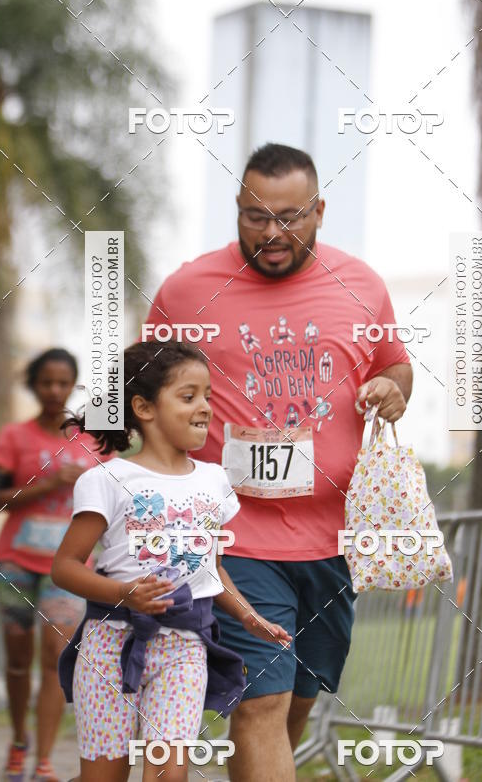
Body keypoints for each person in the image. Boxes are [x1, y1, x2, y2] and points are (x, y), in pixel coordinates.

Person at [145, 142, 413, 782]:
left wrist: (395, 389)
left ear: (319, 210)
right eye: (254, 216)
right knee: (261, 700)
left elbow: (393, 363)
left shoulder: (362, 285)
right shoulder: (187, 291)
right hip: (232, 533)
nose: (271, 233)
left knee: (295, 699)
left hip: (331, 540)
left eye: (289, 217)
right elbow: (130, 390)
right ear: (236, 209)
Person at [51, 340, 291, 782]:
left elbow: (211, 569)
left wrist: (248, 614)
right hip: (108, 646)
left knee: (168, 774)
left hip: (185, 648)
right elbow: (64, 567)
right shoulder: (107, 479)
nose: (204, 408)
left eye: (208, 397)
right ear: (143, 407)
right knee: (103, 776)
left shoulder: (215, 481)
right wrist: (123, 594)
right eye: (188, 396)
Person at [0, 348, 111, 782]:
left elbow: (119, 496)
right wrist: (44, 484)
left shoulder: (95, 440)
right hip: (15, 564)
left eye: (64, 383)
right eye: (46, 382)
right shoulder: (13, 438)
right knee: (18, 660)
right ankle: (19, 741)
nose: (55, 390)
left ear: (74, 387)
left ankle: (43, 760)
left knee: (56, 656)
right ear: (34, 386)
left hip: (71, 566)